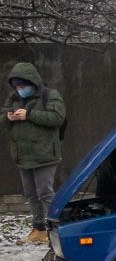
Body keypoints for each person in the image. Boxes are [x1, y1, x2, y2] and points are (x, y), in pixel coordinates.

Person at [2, 62, 66, 245]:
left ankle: (52, 230)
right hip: (23, 156)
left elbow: (56, 118)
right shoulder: (13, 97)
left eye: (23, 86)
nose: (20, 90)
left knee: (45, 193)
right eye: (17, 87)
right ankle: (38, 228)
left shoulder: (49, 95)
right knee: (31, 194)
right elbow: (2, 117)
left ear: (32, 83)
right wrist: (8, 117)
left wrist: (28, 115)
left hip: (45, 154)